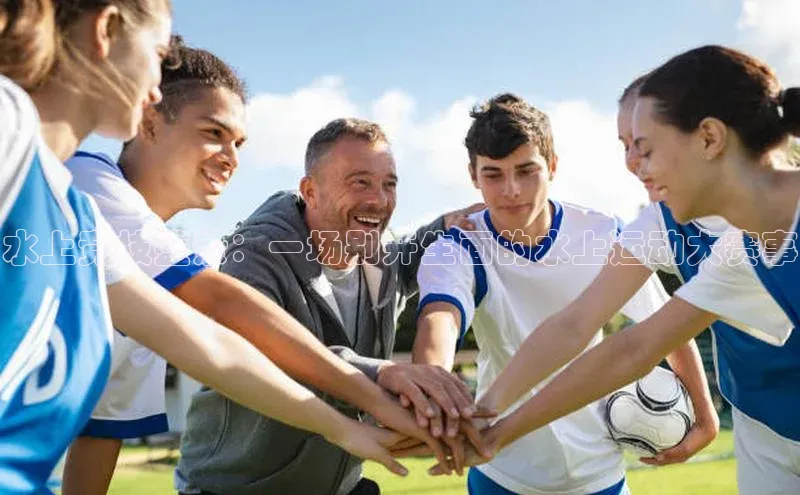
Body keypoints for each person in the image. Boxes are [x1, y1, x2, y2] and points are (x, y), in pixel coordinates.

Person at [0, 2, 419, 493]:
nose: (154, 89)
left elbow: (203, 354)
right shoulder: (71, 170)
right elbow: (220, 305)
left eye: (239, 141)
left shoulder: (85, 224)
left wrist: (345, 426)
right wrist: (372, 395)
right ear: (106, 30)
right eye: (215, 134)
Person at [433, 45, 800, 494]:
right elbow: (629, 346)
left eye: (644, 148)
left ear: (708, 138)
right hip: (769, 430)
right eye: (627, 147)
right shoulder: (737, 254)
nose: (633, 166)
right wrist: (487, 425)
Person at [411, 93, 713, 495]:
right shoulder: (457, 246)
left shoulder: (603, 233)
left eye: (526, 170)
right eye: (493, 175)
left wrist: (705, 414)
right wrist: (433, 388)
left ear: (552, 166)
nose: (511, 189)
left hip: (599, 470)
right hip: (503, 470)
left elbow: (665, 328)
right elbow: (440, 320)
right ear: (473, 175)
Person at [176, 117, 487, 495]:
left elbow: (408, 256)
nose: (379, 200)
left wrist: (447, 223)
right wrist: (383, 373)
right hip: (236, 488)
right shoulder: (256, 253)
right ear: (310, 190)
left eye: (389, 184)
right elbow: (271, 350)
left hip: (338, 486)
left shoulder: (382, 254)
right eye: (360, 182)